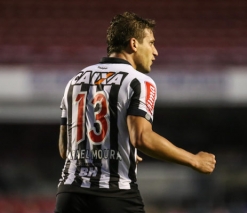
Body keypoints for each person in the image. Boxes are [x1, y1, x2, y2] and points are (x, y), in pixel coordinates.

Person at [54, 11, 216, 213]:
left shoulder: (75, 81)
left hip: (69, 195)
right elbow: (141, 137)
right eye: (151, 43)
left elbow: (64, 148)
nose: (155, 52)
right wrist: (194, 160)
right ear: (133, 44)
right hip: (114, 194)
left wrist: (117, 145)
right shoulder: (138, 81)